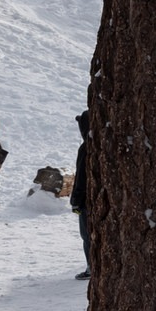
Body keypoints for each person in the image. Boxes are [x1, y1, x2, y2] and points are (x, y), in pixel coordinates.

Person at [70, 111, 90, 280]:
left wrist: (75, 201)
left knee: (87, 235)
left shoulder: (86, 148)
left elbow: (81, 177)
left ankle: (92, 267)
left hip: (87, 201)